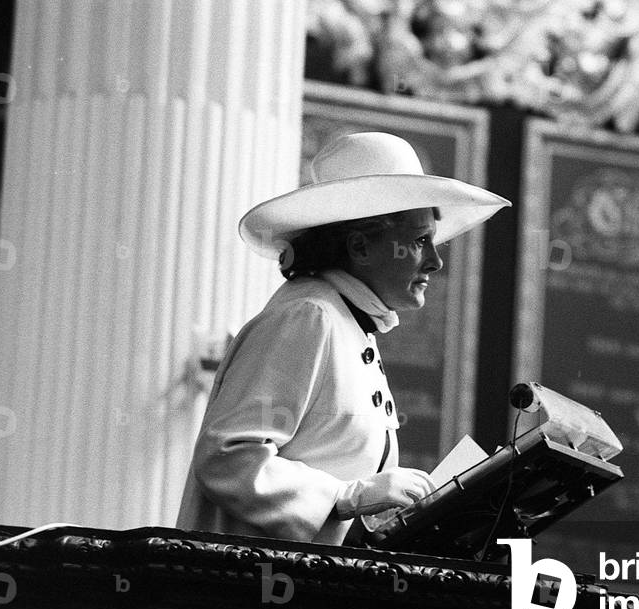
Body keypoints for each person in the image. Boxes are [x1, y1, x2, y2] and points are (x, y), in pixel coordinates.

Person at [176, 132, 510, 544]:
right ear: (360, 246)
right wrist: (349, 496)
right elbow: (228, 458)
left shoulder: (343, 319)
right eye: (420, 241)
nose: (436, 261)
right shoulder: (309, 317)